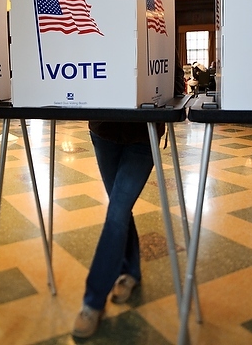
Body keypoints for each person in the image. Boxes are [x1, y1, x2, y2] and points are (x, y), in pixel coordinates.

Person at [72, 120, 165, 338]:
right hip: (103, 131)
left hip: (143, 133)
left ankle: (93, 302)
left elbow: (174, 89)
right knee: (120, 209)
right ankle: (131, 271)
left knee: (117, 213)